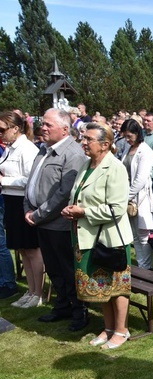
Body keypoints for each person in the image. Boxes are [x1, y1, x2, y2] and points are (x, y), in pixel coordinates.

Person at [61, 123, 132, 347]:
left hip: (109, 239)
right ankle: (108, 327)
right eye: (83, 138)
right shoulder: (86, 165)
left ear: (105, 145)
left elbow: (117, 209)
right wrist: (70, 208)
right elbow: (79, 196)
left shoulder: (115, 168)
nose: (83, 142)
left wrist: (83, 212)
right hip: (85, 236)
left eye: (88, 139)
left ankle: (121, 330)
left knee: (116, 287)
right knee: (100, 286)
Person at [25, 108, 89, 331]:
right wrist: (28, 207)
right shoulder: (44, 150)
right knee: (53, 268)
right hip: (41, 221)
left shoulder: (73, 154)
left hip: (59, 223)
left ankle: (79, 311)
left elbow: (63, 193)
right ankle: (62, 305)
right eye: (42, 123)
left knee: (67, 269)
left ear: (64, 129)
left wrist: (38, 214)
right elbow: (31, 182)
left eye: (48, 124)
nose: (43, 127)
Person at [0, 111, 42, 305]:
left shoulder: (27, 148)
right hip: (10, 200)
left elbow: (31, 179)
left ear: (15, 128)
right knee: (22, 249)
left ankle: (38, 293)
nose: (0, 134)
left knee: (32, 249)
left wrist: (4, 180)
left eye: (2, 129)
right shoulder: (11, 148)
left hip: (23, 202)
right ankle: (30, 291)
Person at [120, 119, 153, 269]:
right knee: (134, 236)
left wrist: (126, 196)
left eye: (129, 136)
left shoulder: (145, 151)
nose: (127, 140)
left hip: (140, 198)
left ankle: (146, 267)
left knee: (143, 236)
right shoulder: (130, 149)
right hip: (129, 198)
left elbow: (140, 178)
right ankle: (142, 265)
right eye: (125, 136)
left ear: (137, 133)